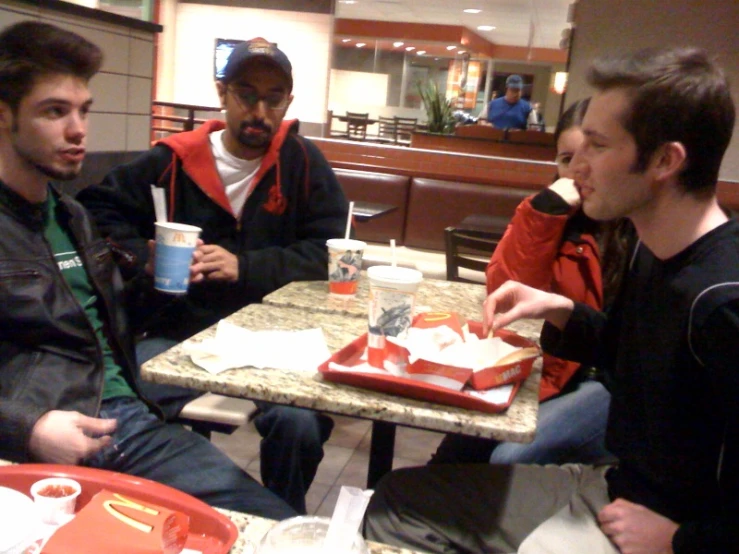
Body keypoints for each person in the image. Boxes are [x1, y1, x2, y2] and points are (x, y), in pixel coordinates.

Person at [365, 45, 738, 553]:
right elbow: (633, 356)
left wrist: (680, 540)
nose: (575, 167)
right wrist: (559, 308)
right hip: (615, 489)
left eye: (598, 147)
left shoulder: (723, 302)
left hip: (669, 530)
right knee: (393, 501)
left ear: (664, 160)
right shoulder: (652, 252)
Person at [0, 20, 294, 520]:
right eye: (54, 112)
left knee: (277, 520)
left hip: (128, 410)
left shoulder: (70, 216)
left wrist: (156, 278)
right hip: (71, 430)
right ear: (3, 116)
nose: (78, 130)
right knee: (266, 525)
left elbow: (109, 326)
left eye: (83, 111)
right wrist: (25, 425)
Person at [77, 37, 348, 514]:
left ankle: (282, 519)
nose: (259, 110)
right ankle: (160, 511)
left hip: (277, 337)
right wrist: (145, 253)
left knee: (297, 424)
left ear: (289, 101)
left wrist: (246, 266)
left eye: (274, 97)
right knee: (119, 406)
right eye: (247, 93)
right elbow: (96, 212)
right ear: (222, 94)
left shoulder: (303, 164)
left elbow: (330, 254)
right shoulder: (170, 162)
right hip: (182, 332)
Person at [430, 98, 634, 466]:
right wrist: (545, 214)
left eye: (591, 156)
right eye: (566, 159)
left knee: (509, 456)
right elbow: (507, 290)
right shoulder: (549, 212)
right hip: (545, 367)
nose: (577, 172)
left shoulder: (637, 226)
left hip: (601, 381)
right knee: (456, 449)